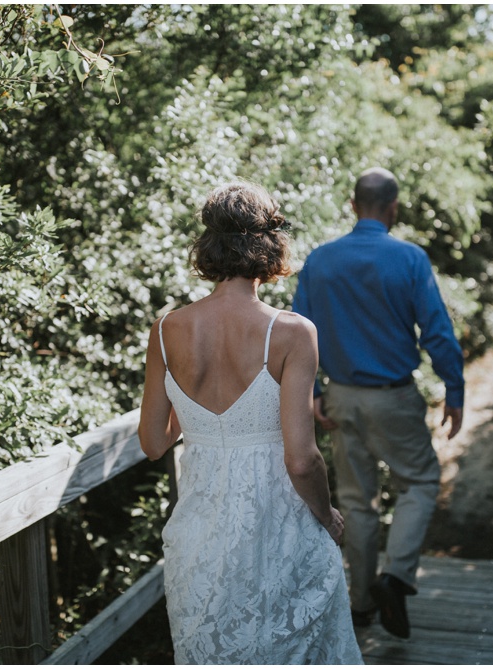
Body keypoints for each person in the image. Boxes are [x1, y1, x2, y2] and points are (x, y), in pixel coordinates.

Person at [138, 182, 363, 665]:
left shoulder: (166, 329)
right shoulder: (291, 331)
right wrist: (327, 517)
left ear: (209, 245)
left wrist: (201, 418)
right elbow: (301, 459)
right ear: (269, 242)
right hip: (279, 525)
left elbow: (154, 441)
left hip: (199, 530)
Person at [292, 167, 465, 640]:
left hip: (340, 399)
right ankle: (396, 575)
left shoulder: (321, 260)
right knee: (422, 482)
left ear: (353, 206)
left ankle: (363, 603)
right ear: (393, 208)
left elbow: (296, 334)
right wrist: (455, 389)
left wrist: (312, 394)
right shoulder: (409, 258)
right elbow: (437, 331)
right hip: (393, 397)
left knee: (356, 502)